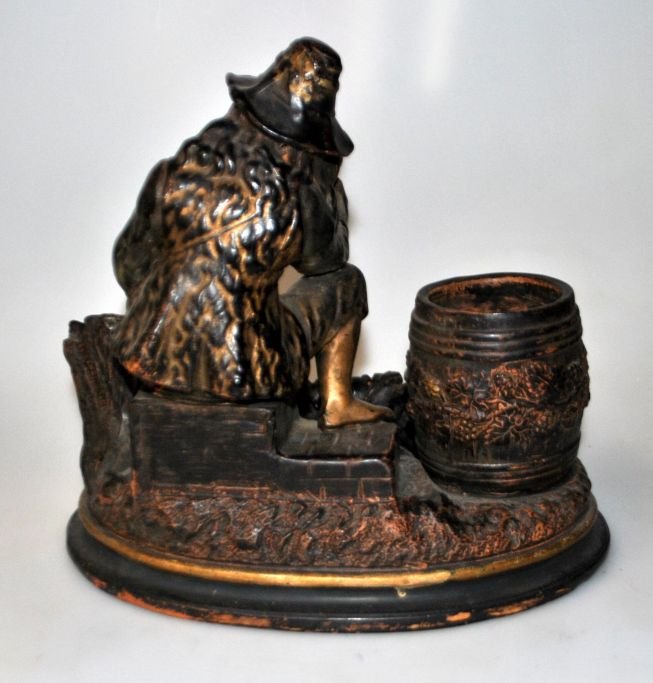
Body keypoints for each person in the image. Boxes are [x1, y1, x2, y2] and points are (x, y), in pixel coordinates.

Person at [112, 38, 392, 428]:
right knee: (347, 283)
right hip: (246, 370)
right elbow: (327, 262)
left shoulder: (173, 175)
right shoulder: (296, 195)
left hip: (150, 354)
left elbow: (128, 265)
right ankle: (337, 403)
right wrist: (330, 191)